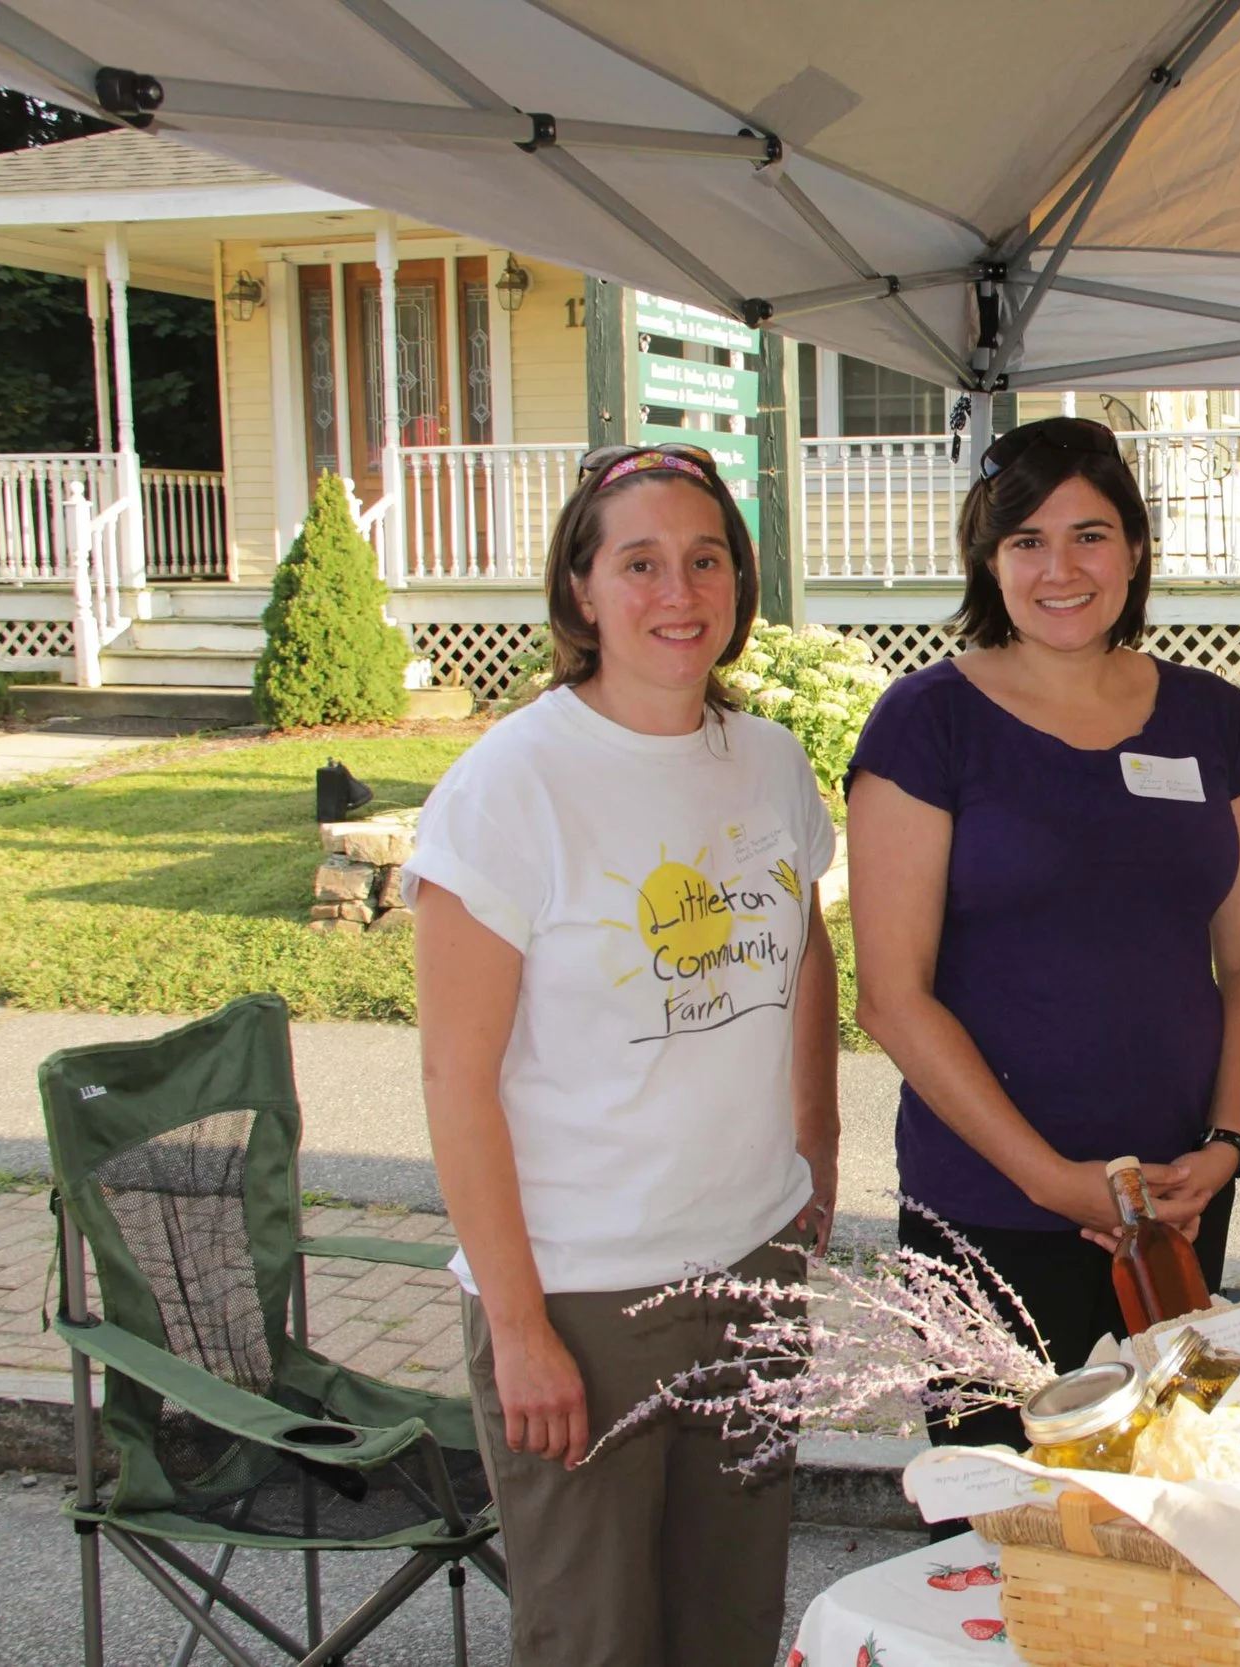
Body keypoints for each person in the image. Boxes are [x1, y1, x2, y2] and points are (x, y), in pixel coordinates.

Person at [406, 444, 840, 1666]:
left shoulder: (765, 758)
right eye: (639, 562)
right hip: (583, 1292)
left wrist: (819, 1138)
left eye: (706, 560)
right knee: (597, 1639)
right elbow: (455, 1079)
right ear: (581, 591)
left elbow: (809, 949)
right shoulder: (509, 788)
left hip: (753, 1261)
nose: (678, 590)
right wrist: (518, 1323)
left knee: (728, 1624)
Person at [844, 417, 1240, 1442]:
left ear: (1134, 549)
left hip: (1174, 1208)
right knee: (998, 1527)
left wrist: (1224, 1146)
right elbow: (889, 994)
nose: (1060, 567)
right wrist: (1051, 1178)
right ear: (987, 561)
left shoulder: (1211, 720)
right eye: (1026, 541)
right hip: (992, 1208)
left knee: (1169, 1505)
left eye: (1089, 534)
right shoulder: (927, 723)